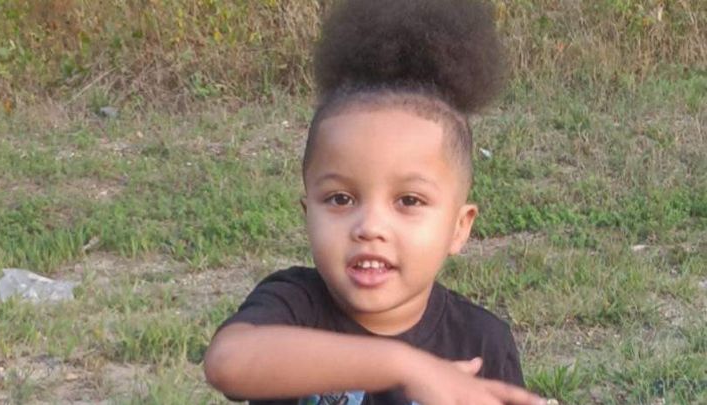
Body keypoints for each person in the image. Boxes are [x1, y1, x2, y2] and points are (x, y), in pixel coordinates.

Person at [204, 0, 546, 404]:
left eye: (408, 200)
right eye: (340, 198)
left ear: (459, 227)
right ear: (307, 214)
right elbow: (228, 363)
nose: (370, 227)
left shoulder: (481, 341)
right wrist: (403, 365)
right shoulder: (294, 307)